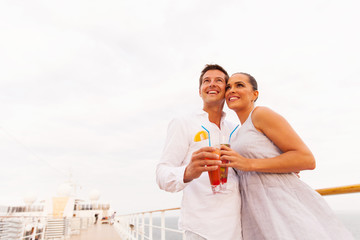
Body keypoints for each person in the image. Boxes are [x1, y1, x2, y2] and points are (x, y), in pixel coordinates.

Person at [221, 72, 354, 240]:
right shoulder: (235, 135)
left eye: (239, 85)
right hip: (256, 212)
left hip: (283, 204)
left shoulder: (261, 114)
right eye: (228, 87)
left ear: (254, 94)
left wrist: (249, 164)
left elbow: (306, 159)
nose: (231, 90)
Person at [156, 64, 242, 240]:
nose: (211, 84)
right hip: (201, 229)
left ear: (226, 90)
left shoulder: (236, 130)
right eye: (206, 81)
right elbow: (161, 174)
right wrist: (188, 172)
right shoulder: (183, 123)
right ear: (200, 90)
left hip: (236, 227)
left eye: (219, 81)